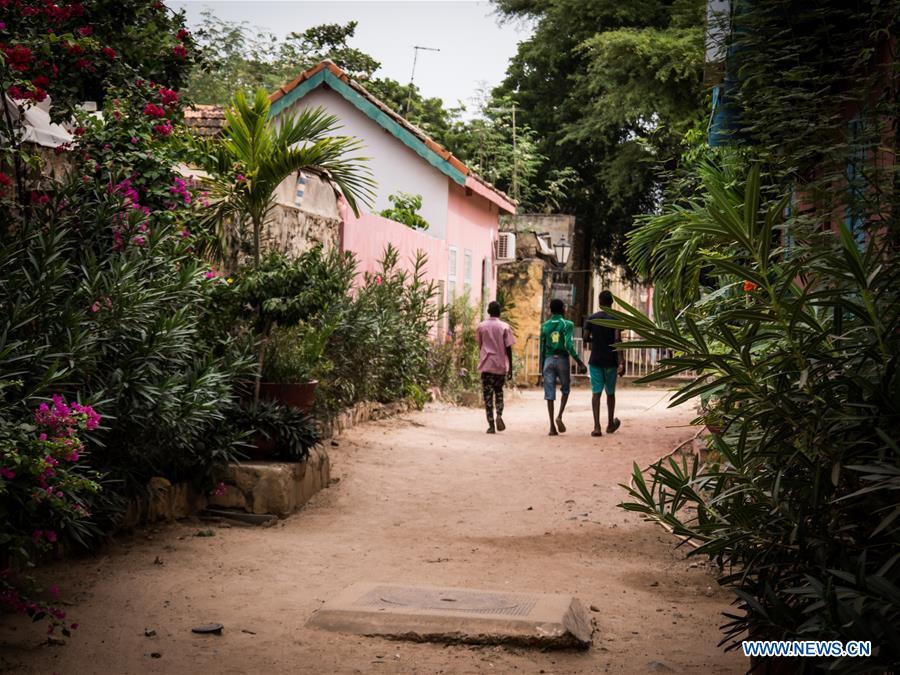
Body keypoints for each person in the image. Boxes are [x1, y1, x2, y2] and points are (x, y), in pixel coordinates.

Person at [539, 298, 586, 436]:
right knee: (565, 389)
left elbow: (542, 347)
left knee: (549, 393)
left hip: (548, 360)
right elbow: (568, 345)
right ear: (562, 309)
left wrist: (542, 365)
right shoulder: (567, 324)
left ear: (550, 310)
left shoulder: (545, 326)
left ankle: (552, 427)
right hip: (562, 360)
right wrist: (579, 361)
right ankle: (559, 415)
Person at [583, 290, 626, 437]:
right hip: (611, 361)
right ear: (612, 303)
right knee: (610, 393)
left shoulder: (592, 318)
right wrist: (622, 361)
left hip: (595, 360)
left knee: (596, 393)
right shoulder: (616, 319)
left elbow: (585, 338)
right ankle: (610, 424)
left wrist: (595, 340)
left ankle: (596, 427)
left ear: (600, 302)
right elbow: (617, 340)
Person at [476, 300, 515, 434]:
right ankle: (499, 414)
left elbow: (480, 346)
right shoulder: (505, 327)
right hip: (500, 366)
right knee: (498, 391)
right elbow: (508, 349)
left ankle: (491, 424)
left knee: (487, 395)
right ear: (499, 312)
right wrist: (511, 368)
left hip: (487, 365)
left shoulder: (481, 326)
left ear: (488, 312)